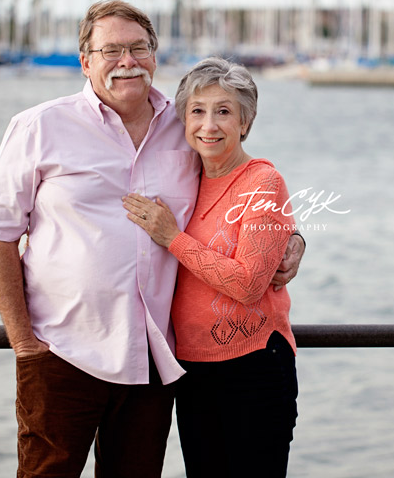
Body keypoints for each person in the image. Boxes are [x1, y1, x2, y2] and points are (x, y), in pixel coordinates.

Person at [0, 0, 305, 478]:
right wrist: (23, 343)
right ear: (85, 60)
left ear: (154, 54)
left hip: (152, 362)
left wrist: (291, 238)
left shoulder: (187, 125)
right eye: (111, 50)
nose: (126, 61)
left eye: (138, 48)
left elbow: (238, 188)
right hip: (62, 352)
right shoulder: (39, 127)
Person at [122, 57, 299, 478]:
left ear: (245, 121)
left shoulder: (263, 183)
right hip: (192, 369)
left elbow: (249, 284)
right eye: (197, 111)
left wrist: (171, 237)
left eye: (224, 111)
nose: (209, 125)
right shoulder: (188, 179)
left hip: (254, 367)